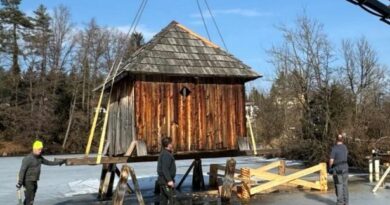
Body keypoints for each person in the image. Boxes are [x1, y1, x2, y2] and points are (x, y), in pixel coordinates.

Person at [16, 140, 66, 205]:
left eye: (41, 149)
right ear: (34, 149)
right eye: (39, 149)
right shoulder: (27, 159)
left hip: (34, 180)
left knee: (31, 197)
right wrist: (20, 182)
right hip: (27, 181)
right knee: (30, 198)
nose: (40, 151)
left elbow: (48, 162)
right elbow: (22, 171)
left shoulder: (39, 158)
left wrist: (59, 162)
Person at [329, 133, 349, 205]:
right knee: (345, 185)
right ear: (342, 139)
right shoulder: (345, 147)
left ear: (336, 139)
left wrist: (330, 167)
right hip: (345, 168)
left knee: (339, 185)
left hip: (337, 169)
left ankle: (340, 202)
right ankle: (346, 202)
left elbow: (331, 160)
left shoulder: (334, 148)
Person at [157, 137, 176, 205]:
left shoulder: (165, 153)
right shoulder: (166, 155)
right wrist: (169, 180)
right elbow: (165, 169)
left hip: (163, 180)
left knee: (164, 199)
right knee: (172, 198)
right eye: (171, 143)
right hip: (166, 181)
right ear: (168, 145)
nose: (172, 144)